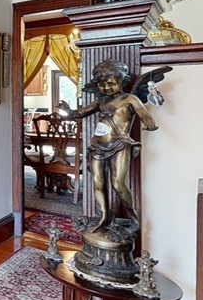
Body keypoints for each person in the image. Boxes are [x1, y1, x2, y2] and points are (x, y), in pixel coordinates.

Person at [57, 60, 157, 233]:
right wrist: (68, 110)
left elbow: (144, 114)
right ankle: (103, 217)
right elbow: (79, 113)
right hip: (97, 146)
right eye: (102, 85)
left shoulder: (130, 99)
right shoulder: (101, 101)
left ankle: (133, 215)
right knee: (97, 181)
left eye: (111, 84)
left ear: (121, 81)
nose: (106, 88)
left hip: (120, 144)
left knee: (118, 183)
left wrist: (149, 123)